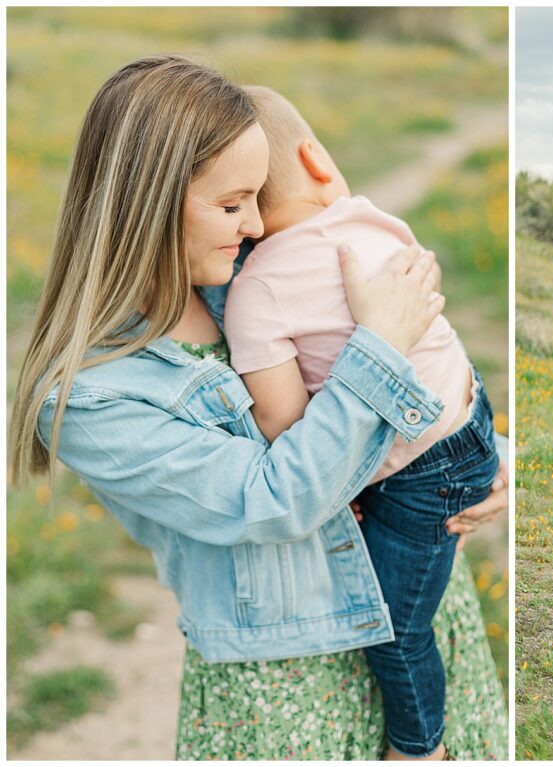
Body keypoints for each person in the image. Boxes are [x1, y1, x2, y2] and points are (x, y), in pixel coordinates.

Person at [8, 55, 507, 761]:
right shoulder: (92, 394)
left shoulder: (245, 277)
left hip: (415, 618)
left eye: (258, 199)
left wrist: (484, 456)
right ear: (148, 201)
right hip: (286, 687)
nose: (255, 226)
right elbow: (271, 497)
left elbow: (419, 358)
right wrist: (379, 348)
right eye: (233, 202)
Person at [222, 86, 500, 761]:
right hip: (472, 416)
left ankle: (417, 747)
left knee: (395, 627)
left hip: (420, 463)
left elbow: (287, 426)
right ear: (317, 159)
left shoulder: (255, 292)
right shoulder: (373, 221)